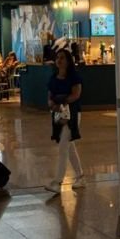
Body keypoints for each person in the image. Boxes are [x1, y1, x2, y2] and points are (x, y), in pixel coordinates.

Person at [46, 49, 86, 193]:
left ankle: (58, 181)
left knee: (64, 146)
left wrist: (61, 102)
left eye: (62, 58)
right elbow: (49, 96)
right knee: (69, 146)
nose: (59, 60)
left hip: (72, 114)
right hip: (58, 115)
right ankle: (80, 176)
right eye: (57, 58)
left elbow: (76, 94)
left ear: (68, 61)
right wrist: (52, 104)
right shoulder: (53, 78)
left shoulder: (74, 78)